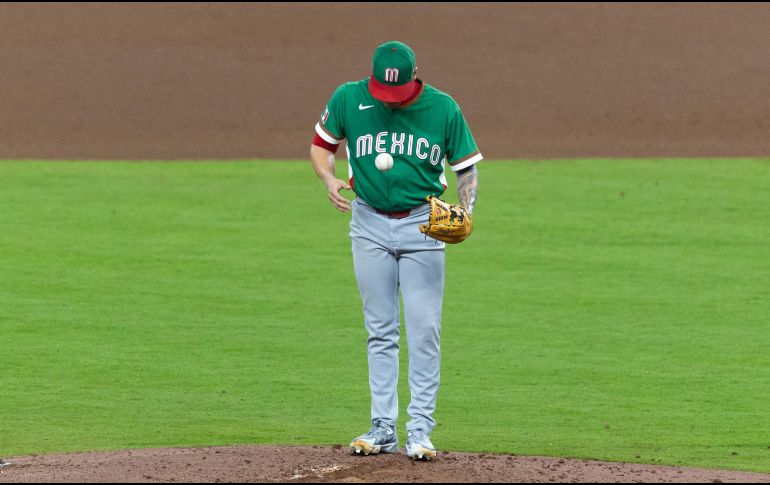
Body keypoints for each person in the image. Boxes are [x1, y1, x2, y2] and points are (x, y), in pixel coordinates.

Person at [309, 40, 481, 461]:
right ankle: (383, 427)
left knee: (424, 330)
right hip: (367, 223)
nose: (391, 99)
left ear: (415, 75)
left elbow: (466, 168)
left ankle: (419, 429)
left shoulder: (443, 108)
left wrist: (466, 210)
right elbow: (321, 146)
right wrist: (329, 180)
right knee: (380, 329)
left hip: (423, 225)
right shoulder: (348, 98)